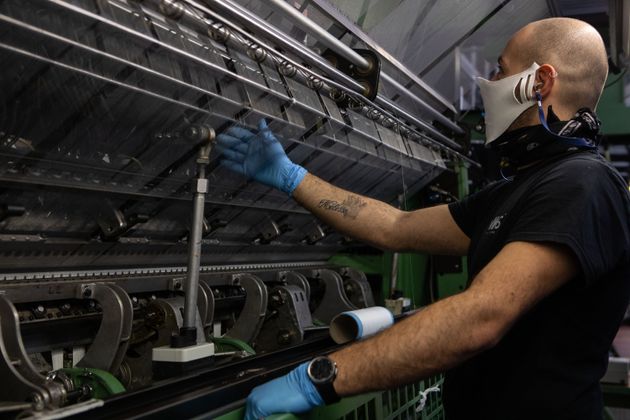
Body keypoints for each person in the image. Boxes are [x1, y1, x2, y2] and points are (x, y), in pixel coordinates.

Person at [216, 17, 630, 420]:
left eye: (500, 70)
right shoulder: (520, 188)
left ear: (539, 83)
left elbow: (482, 316)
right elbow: (395, 227)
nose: (489, 83)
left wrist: (322, 377)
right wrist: (291, 176)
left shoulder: (583, 183)